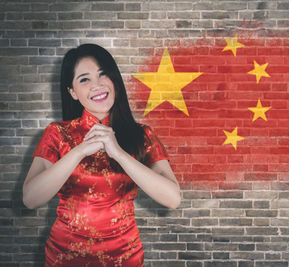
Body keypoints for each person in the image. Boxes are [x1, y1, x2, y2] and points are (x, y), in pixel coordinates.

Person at [22, 43, 181, 266]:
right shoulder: (57, 133)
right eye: (84, 79)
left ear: (114, 80)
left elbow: (173, 199)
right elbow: (30, 198)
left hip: (125, 258)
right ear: (72, 92)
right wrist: (78, 152)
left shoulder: (142, 135)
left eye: (103, 74)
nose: (97, 85)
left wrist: (119, 153)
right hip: (65, 258)